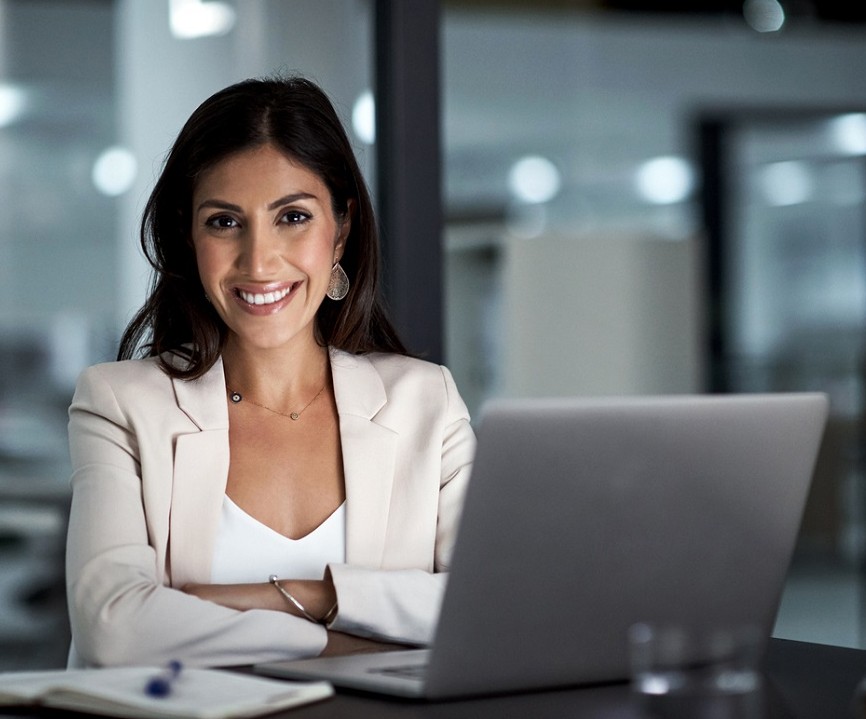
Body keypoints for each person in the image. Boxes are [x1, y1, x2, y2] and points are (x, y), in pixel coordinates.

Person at [64, 75, 476, 668]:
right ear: (189, 237)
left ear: (341, 231)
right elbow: (114, 632)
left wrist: (307, 595)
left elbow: (487, 607)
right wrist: (346, 639)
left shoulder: (426, 403)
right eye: (224, 222)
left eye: (293, 217)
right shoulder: (120, 404)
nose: (258, 262)